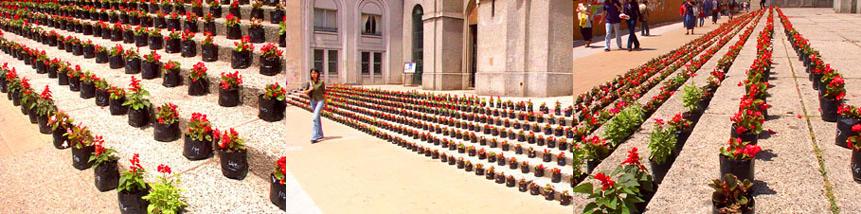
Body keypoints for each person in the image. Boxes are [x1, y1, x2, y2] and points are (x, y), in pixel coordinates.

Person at [303, 68, 326, 143]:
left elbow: (324, 93)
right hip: (313, 101)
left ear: (318, 74)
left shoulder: (321, 82)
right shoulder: (309, 82)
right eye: (312, 73)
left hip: (320, 101)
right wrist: (310, 89)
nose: (314, 74)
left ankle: (314, 137)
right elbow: (305, 92)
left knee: (315, 117)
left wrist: (327, 103)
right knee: (317, 117)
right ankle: (320, 134)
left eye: (315, 73)